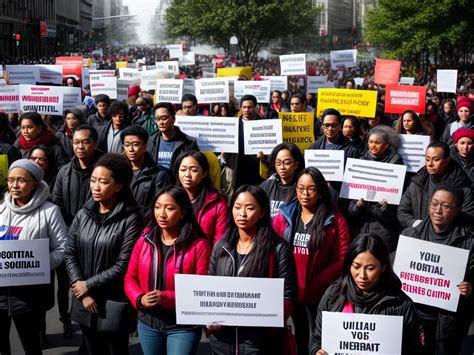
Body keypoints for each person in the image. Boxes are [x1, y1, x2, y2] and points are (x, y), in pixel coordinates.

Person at [64, 154, 143, 355]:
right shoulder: (84, 213)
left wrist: (88, 285)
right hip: (84, 299)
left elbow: (123, 265)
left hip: (113, 302)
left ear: (118, 186)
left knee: (115, 350)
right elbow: (70, 252)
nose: (96, 187)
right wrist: (81, 288)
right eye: (93, 180)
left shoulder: (131, 219)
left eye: (103, 182)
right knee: (91, 349)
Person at [208, 185, 297, 354]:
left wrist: (265, 325)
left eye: (250, 208)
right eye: (237, 207)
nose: (242, 214)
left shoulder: (277, 249)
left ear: (263, 212)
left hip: (259, 344)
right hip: (222, 343)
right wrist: (209, 317)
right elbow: (211, 287)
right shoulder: (221, 246)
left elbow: (288, 297)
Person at [124, 186, 211, 355]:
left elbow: (202, 291)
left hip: (183, 326)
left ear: (183, 211)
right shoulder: (145, 239)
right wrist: (140, 298)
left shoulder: (199, 245)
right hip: (148, 323)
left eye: (169, 208)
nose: (161, 214)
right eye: (157, 207)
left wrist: (164, 298)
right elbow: (130, 277)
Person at [273, 167, 350, 355]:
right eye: (300, 188)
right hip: (291, 291)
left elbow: (342, 259)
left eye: (311, 189)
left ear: (321, 191)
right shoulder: (284, 216)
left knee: (318, 339)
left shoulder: (335, 220)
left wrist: (318, 281)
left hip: (320, 293)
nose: (305, 194)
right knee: (296, 337)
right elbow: (272, 249)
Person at [309, 234, 424, 355]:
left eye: (370, 268)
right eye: (356, 266)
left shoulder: (401, 304)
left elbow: (415, 349)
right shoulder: (334, 295)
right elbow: (316, 338)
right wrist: (316, 351)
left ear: (383, 267)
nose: (362, 275)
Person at [0, 159, 67, 355]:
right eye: (11, 180)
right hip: (1, 296)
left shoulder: (49, 211)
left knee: (31, 346)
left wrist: (36, 266)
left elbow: (61, 249)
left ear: (35, 183)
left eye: (21, 180)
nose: (14, 185)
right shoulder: (1, 210)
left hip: (31, 298)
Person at [401, 185, 473, 355]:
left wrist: (470, 289)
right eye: (434, 204)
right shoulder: (410, 235)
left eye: (445, 206)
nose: (438, 210)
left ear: (456, 210)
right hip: (413, 318)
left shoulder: (468, 243)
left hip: (446, 325)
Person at [348, 126, 403, 252]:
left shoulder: (396, 167)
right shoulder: (360, 163)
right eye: (370, 142)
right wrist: (357, 206)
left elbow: (397, 209)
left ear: (386, 145)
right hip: (361, 228)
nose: (373, 146)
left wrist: (385, 208)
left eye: (377, 143)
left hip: (384, 231)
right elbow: (349, 205)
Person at [398, 141, 474, 229]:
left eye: (436, 159)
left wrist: (440, 229)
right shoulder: (418, 181)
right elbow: (402, 211)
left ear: (446, 161)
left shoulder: (462, 188)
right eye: (427, 159)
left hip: (446, 240)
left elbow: (468, 220)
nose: (430, 164)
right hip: (417, 236)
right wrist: (416, 224)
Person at [175, 150, 228, 244]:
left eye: (194, 170)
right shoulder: (171, 199)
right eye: (183, 170)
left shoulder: (218, 204)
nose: (187, 175)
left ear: (204, 173)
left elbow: (220, 241)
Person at [121, 125, 169, 221]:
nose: (131, 149)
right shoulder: (118, 171)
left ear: (145, 147)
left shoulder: (158, 174)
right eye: (127, 145)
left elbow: (159, 205)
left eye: (135, 144)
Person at [147, 102, 199, 180]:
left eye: (164, 118)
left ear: (173, 119)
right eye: (157, 119)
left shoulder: (189, 142)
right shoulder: (150, 141)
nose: (161, 122)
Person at [260, 143, 305, 218]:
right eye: (278, 163)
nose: (282, 167)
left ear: (296, 165)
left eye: (287, 163)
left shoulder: (302, 187)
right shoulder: (268, 185)